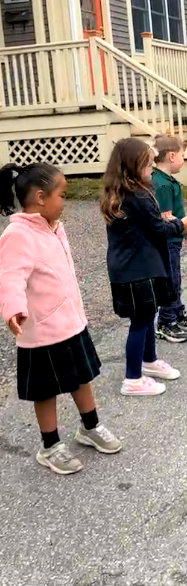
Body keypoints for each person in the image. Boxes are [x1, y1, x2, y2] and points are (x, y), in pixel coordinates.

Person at [0, 162, 122, 475]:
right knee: (46, 389)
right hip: (42, 330)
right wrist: (12, 307)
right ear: (40, 197)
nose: (65, 202)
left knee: (81, 378)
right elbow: (10, 276)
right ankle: (50, 445)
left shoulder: (54, 225)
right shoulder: (18, 234)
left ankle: (89, 427)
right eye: (62, 195)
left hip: (70, 322)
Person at [102, 138, 187, 397]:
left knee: (147, 316)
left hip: (132, 266)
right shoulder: (136, 196)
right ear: (134, 165)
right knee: (140, 322)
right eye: (148, 164)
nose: (151, 168)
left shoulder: (124, 192)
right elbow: (158, 229)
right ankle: (133, 379)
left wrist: (180, 227)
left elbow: (151, 226)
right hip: (138, 269)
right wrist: (184, 224)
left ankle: (148, 361)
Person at [152, 134, 187, 343]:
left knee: (176, 278)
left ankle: (177, 312)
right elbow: (166, 218)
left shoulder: (166, 180)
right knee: (171, 280)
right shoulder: (161, 184)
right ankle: (165, 322)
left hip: (173, 238)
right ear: (172, 156)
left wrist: (184, 230)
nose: (185, 158)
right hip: (167, 242)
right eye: (183, 154)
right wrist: (184, 228)